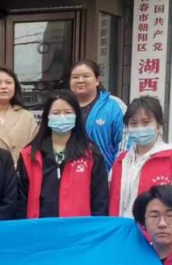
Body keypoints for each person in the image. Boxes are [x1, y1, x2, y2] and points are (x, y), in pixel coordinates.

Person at [16, 89, 108, 219]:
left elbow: (100, 203)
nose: (62, 117)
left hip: (78, 229)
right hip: (39, 228)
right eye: (56, 113)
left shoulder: (92, 155)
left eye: (68, 112)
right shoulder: (29, 156)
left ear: (76, 116)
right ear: (47, 117)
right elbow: (21, 202)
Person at [109, 96, 172, 221]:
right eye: (133, 123)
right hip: (122, 231)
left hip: (158, 231)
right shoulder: (121, 161)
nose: (139, 128)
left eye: (146, 122)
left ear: (158, 125)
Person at [68, 59, 127, 171]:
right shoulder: (62, 107)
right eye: (75, 77)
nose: (80, 80)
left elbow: (125, 145)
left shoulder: (114, 106)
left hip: (106, 176)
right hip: (71, 176)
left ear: (97, 80)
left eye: (86, 76)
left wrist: (115, 175)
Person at [0, 66, 38, 165]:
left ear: (15, 87)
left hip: (20, 171)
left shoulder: (27, 117)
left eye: (8, 82)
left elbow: (35, 150)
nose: (3, 86)